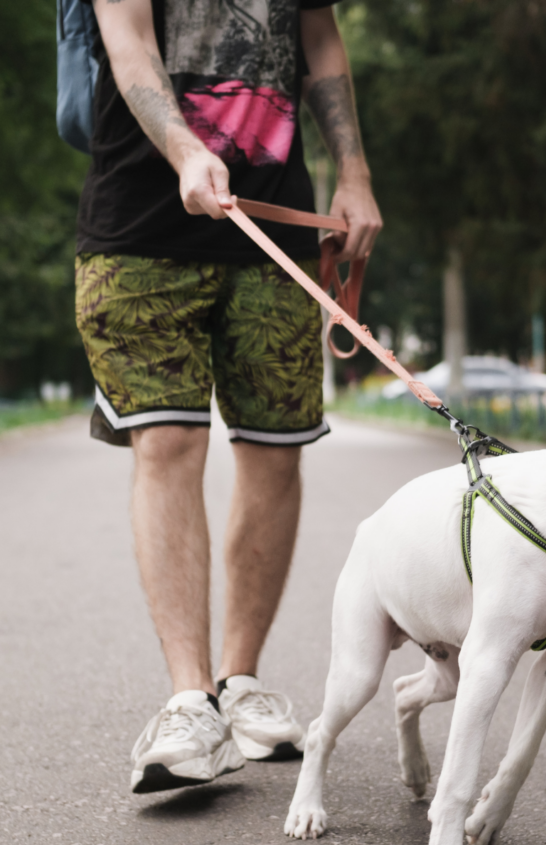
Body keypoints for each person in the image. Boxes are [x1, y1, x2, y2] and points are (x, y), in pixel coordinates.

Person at [75, 0, 382, 793]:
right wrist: (183, 149)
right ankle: (189, 700)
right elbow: (131, 44)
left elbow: (317, 36)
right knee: (169, 442)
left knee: (276, 452)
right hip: (140, 224)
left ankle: (239, 682)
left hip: (277, 226)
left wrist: (354, 174)